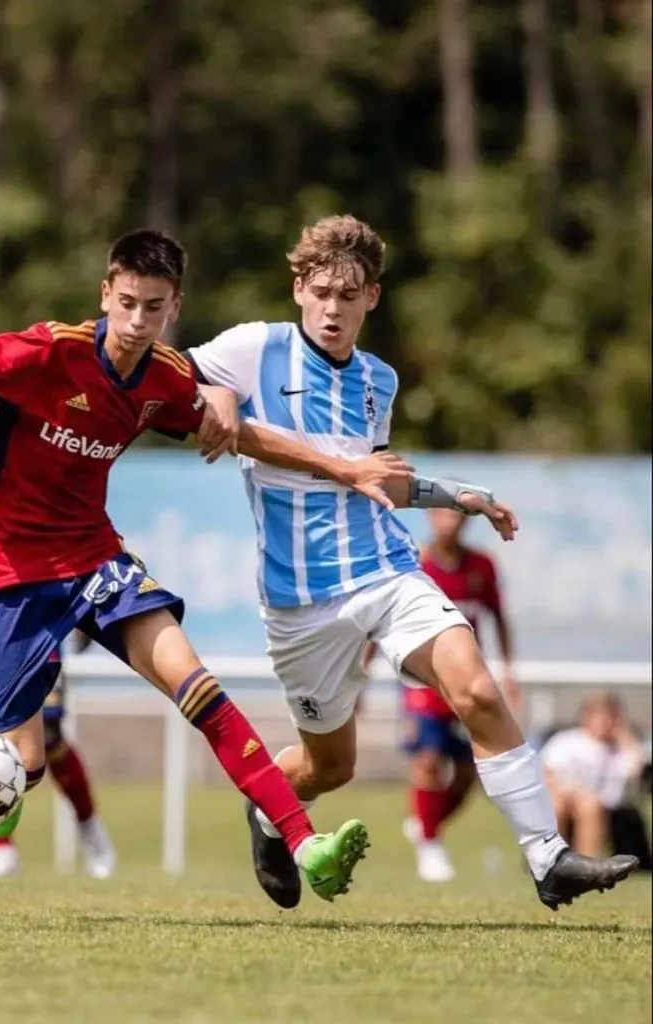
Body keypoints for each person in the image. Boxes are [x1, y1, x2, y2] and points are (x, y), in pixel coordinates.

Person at [184, 213, 638, 911]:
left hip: (386, 571)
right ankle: (267, 812)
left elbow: (377, 481)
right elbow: (192, 398)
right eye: (321, 292)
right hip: (302, 601)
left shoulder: (378, 381)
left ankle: (547, 857)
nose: (332, 309)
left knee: (476, 689)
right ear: (298, 288)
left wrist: (455, 495)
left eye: (349, 295)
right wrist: (217, 397)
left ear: (372, 297)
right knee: (330, 767)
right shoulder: (253, 349)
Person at [0, 228, 369, 905]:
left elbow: (230, 423)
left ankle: (305, 843)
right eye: (126, 303)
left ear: (173, 307)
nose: (135, 321)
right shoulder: (49, 350)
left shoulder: (163, 376)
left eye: (153, 307)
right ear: (106, 293)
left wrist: (328, 460)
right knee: (22, 765)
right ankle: (0, 791)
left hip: (95, 560)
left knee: (200, 689)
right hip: (9, 576)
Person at [0, 396, 116, 880]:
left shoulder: (41, 471)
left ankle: (90, 828)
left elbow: (75, 547)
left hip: (38, 624)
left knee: (50, 738)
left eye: (1, 411)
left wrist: (83, 615)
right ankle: (1, 848)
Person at [395, 508, 519, 883]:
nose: (449, 521)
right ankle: (430, 845)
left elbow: (498, 618)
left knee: (468, 773)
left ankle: (426, 824)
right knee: (429, 760)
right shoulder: (414, 562)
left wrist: (509, 673)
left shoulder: (481, 565)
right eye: (442, 513)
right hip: (422, 679)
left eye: (457, 514)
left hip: (465, 680)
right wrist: (361, 673)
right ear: (431, 516)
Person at [541, 693, 650, 867]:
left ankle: (586, 864)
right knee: (556, 806)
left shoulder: (620, 748)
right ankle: (548, 863)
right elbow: (549, 775)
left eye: (610, 717)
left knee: (589, 806)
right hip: (565, 796)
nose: (604, 723)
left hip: (605, 804)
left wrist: (627, 739)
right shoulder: (567, 741)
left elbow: (634, 774)